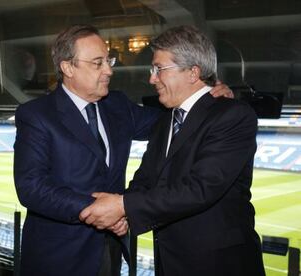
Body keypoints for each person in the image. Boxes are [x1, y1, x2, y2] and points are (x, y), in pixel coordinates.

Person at [14, 24, 232, 276]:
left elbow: (173, 121)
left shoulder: (117, 105)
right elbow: (31, 187)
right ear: (68, 67)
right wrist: (101, 211)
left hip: (110, 249)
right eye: (98, 63)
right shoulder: (37, 115)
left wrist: (207, 97)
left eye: (109, 61)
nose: (108, 70)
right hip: (59, 255)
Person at [80, 25, 265, 276]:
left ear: (192, 72)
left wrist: (123, 205)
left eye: (159, 69)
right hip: (170, 262)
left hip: (219, 265)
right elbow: (146, 178)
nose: (152, 79)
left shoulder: (232, 115)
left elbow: (201, 188)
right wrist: (121, 214)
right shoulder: (166, 120)